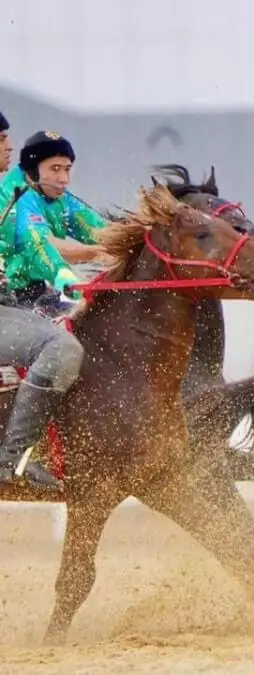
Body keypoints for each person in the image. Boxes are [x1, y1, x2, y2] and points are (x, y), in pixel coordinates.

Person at [0, 131, 112, 490]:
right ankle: (16, 459)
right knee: (62, 347)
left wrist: (139, 240)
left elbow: (102, 232)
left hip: (34, 296)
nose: (63, 178)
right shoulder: (18, 196)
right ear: (35, 169)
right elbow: (39, 249)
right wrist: (69, 279)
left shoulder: (56, 196)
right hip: (19, 300)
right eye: (56, 169)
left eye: (67, 169)